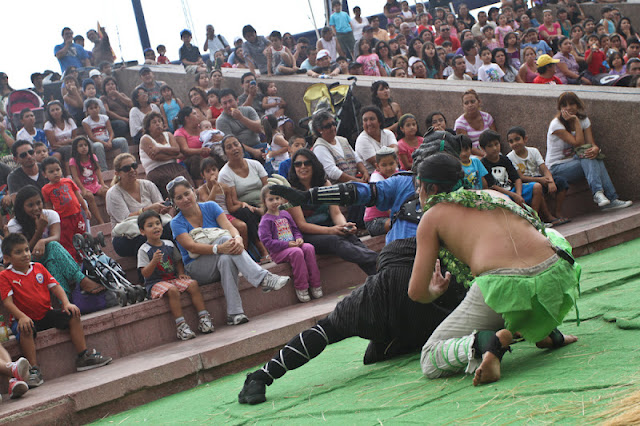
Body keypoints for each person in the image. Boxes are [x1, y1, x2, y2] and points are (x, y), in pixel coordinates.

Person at [237, 135, 469, 405]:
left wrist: (309, 196)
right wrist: (308, 196)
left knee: (330, 328)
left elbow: (361, 193)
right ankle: (262, 376)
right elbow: (360, 193)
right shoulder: (447, 193)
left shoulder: (457, 197)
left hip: (423, 284)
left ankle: (261, 377)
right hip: (417, 284)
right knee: (337, 329)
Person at [410, 153, 579, 387]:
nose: (418, 193)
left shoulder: (432, 216)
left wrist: (434, 291)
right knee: (547, 238)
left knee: (429, 357)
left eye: (419, 187)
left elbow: (416, 292)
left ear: (432, 188)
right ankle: (547, 332)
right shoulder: (493, 194)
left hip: (506, 286)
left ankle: (486, 343)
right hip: (558, 272)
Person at [168, 176, 289, 325]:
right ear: (174, 202)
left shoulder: (211, 206)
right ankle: (263, 278)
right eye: (179, 197)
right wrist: (218, 248)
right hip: (197, 267)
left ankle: (235, 313)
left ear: (193, 191)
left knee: (226, 258)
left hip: (222, 256)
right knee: (224, 241)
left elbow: (229, 227)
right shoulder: (176, 222)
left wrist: (237, 238)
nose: (185, 199)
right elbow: (191, 247)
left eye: (187, 193)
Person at [0, 233, 113, 388]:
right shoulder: (5, 276)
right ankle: (33, 370)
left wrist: (66, 303)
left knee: (73, 314)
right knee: (24, 328)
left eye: (26, 250)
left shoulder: (38, 267)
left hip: (46, 313)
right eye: (18, 252)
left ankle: (83, 356)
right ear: (7, 258)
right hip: (25, 319)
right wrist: (22, 317)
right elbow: (8, 303)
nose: (25, 254)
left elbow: (56, 287)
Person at [8, 185, 108, 313]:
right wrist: (39, 230)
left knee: (52, 257)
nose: (36, 208)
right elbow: (23, 250)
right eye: (30, 205)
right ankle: (82, 280)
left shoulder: (50, 214)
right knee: (52, 249)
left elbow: (56, 237)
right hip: (28, 261)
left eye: (38, 203)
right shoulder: (14, 224)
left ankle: (64, 303)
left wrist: (42, 241)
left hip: (50, 256)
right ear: (22, 207)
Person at [284, 148, 377, 275]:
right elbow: (302, 225)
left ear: (314, 165)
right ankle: (378, 259)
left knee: (350, 236)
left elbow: (336, 213)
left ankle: (378, 275)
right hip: (308, 235)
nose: (303, 167)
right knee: (335, 240)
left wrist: (344, 226)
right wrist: (331, 230)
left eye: (307, 163)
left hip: (330, 228)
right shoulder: (291, 191)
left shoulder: (325, 184)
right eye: (298, 164)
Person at [546, 92, 632, 211]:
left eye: (572, 104)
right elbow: (579, 143)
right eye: (564, 105)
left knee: (592, 154)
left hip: (578, 161)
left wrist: (596, 149)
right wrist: (575, 121)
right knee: (587, 155)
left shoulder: (584, 120)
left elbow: (590, 144)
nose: (568, 108)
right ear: (560, 108)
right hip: (557, 168)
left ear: (578, 105)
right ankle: (603, 195)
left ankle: (605, 197)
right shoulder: (556, 124)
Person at [137, 210, 213, 340]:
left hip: (173, 279)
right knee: (172, 290)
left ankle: (204, 318)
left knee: (193, 284)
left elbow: (178, 261)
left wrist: (181, 273)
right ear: (142, 231)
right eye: (150, 225)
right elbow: (145, 273)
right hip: (154, 283)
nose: (155, 227)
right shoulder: (144, 250)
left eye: (157, 223)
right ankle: (181, 326)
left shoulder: (169, 244)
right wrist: (154, 261)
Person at [258, 186, 322, 303]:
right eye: (271, 199)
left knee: (308, 247)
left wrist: (298, 238)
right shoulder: (265, 221)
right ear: (264, 201)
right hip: (278, 252)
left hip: (293, 246)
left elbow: (295, 229)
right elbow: (268, 242)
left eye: (277, 198)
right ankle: (302, 287)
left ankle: (315, 284)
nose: (275, 202)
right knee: (297, 252)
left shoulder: (285, 214)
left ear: (282, 199)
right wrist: (287, 245)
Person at [479, 130, 559, 224]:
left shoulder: (505, 159)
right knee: (504, 201)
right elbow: (492, 186)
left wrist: (518, 194)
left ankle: (533, 219)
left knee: (537, 186)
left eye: (496, 144)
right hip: (500, 195)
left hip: (513, 190)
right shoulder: (483, 163)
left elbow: (516, 178)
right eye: (490, 146)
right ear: (483, 148)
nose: (494, 148)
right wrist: (514, 195)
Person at [106, 153, 173, 258]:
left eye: (134, 166)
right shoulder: (113, 193)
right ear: (117, 173)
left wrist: (163, 209)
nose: (132, 170)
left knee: (173, 228)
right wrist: (148, 209)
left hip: (152, 228)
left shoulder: (148, 185)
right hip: (126, 236)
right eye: (127, 168)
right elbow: (124, 219)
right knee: (146, 238)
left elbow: (159, 208)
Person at [196, 157, 265, 259]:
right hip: (212, 217)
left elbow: (231, 207)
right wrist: (214, 187)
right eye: (208, 171)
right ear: (203, 175)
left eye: (214, 169)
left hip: (225, 215)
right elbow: (208, 205)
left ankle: (244, 254)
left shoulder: (225, 187)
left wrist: (242, 204)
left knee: (242, 226)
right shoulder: (202, 189)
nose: (212, 173)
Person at [507, 126, 569, 222]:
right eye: (511, 141)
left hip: (539, 178)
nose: (515, 143)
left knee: (561, 182)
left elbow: (544, 169)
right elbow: (521, 177)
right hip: (526, 183)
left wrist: (551, 181)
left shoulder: (533, 151)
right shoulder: (510, 157)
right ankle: (548, 217)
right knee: (537, 187)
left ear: (525, 139)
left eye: (517, 139)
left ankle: (558, 212)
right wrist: (540, 180)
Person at [41, 157, 90, 261]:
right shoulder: (46, 189)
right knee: (67, 241)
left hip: (77, 216)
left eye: (57, 170)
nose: (55, 173)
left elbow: (78, 196)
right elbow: (48, 206)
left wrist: (85, 209)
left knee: (82, 236)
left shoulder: (68, 181)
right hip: (63, 220)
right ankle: (73, 261)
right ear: (44, 174)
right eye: (51, 171)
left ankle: (86, 258)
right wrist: (51, 221)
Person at [140, 111, 193, 198]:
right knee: (169, 180)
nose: (158, 124)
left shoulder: (168, 134)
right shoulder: (145, 139)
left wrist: (159, 149)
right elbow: (156, 157)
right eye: (154, 122)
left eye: (159, 121)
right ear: (148, 127)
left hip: (173, 166)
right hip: (156, 170)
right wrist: (174, 156)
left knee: (183, 176)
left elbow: (177, 149)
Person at [311, 110, 369, 185]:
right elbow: (332, 172)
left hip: (356, 184)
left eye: (334, 124)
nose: (333, 128)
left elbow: (356, 158)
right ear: (319, 130)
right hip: (338, 188)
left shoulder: (343, 140)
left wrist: (365, 172)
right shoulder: (320, 147)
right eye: (328, 126)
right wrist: (356, 181)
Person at [218, 135, 268, 209]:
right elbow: (234, 201)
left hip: (264, 202)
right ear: (225, 153)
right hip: (246, 207)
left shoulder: (255, 164)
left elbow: (266, 186)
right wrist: (255, 209)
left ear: (241, 146)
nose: (234, 148)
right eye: (229, 147)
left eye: (236, 144)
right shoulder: (225, 174)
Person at [69, 136, 108, 224]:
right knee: (89, 196)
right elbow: (75, 177)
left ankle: (111, 216)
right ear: (76, 148)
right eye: (80, 146)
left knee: (106, 191)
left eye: (85, 145)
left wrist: (102, 184)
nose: (84, 147)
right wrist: (83, 189)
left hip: (94, 185)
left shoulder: (93, 157)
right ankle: (100, 221)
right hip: (82, 186)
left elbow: (98, 170)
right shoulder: (73, 161)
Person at [216, 89, 264, 160]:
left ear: (237, 100)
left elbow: (259, 129)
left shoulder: (248, 110)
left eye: (230, 101)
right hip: (240, 149)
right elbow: (230, 143)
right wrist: (253, 151)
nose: (228, 105)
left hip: (258, 144)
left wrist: (241, 118)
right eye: (225, 103)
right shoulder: (221, 121)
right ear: (221, 105)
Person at [82, 99, 129, 170]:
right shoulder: (85, 122)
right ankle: (104, 169)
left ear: (99, 108)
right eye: (91, 108)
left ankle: (127, 163)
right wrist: (104, 143)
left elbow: (111, 132)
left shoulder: (105, 118)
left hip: (107, 140)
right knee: (99, 146)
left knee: (123, 140)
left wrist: (109, 141)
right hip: (95, 143)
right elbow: (91, 137)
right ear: (87, 111)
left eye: (96, 107)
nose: (94, 110)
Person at [363, 147, 397, 237]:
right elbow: (387, 206)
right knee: (398, 224)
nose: (389, 168)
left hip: (392, 217)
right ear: (377, 166)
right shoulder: (377, 180)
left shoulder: (399, 175)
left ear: (397, 162)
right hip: (375, 221)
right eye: (384, 165)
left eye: (391, 163)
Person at [355, 106, 398, 175]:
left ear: (379, 121)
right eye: (365, 120)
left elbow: (396, 149)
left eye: (372, 119)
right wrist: (391, 154)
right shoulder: (362, 140)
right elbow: (378, 162)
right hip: (374, 176)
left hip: (394, 172)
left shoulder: (388, 133)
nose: (369, 123)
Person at [454, 89, 496, 156]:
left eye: (472, 102)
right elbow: (466, 145)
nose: (470, 105)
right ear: (463, 106)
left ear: (479, 102)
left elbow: (495, 138)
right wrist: (484, 155)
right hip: (472, 155)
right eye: (466, 103)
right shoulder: (460, 123)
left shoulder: (487, 117)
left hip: (492, 151)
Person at [174, 106, 210, 184]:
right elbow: (185, 150)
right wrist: (201, 150)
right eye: (194, 114)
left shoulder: (202, 128)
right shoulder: (180, 132)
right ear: (187, 118)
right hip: (189, 162)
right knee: (196, 158)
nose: (197, 115)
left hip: (206, 158)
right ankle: (199, 184)